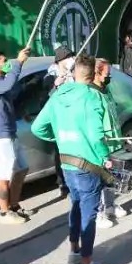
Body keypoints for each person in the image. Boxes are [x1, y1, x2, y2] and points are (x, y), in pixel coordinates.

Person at [30, 55, 115, 264]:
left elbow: (38, 127)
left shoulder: (58, 95)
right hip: (88, 164)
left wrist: (58, 138)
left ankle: (74, 252)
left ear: (75, 72)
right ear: (91, 74)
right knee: (89, 214)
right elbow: (97, 135)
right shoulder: (92, 97)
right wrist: (105, 157)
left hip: (67, 162)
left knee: (76, 206)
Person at [0, 47, 31, 224]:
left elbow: (12, 91)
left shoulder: (1, 81)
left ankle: (14, 205)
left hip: (10, 134)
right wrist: (19, 62)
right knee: (4, 175)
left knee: (22, 169)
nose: (8, 63)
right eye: (4, 61)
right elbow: (9, 84)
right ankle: (4, 213)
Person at [92, 58, 131, 227]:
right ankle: (99, 212)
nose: (109, 77)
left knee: (112, 178)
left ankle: (110, 206)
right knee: (99, 179)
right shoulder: (92, 94)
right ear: (97, 73)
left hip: (114, 140)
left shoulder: (106, 90)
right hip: (102, 142)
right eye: (107, 74)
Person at [46, 45, 76, 196]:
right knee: (61, 152)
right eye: (68, 57)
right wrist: (56, 85)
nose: (71, 60)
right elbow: (46, 96)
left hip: (75, 118)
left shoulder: (75, 73)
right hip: (60, 120)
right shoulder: (51, 76)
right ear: (60, 61)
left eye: (72, 56)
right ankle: (63, 183)